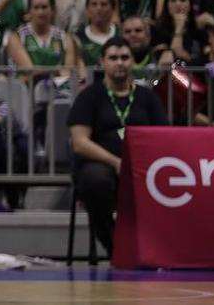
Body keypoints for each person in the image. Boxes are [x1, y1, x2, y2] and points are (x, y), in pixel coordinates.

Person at [67, 37, 168, 255]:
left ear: (133, 61)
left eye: (125, 57)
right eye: (113, 58)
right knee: (96, 181)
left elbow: (164, 136)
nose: (119, 62)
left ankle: (161, 249)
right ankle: (115, 247)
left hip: (144, 169)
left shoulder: (147, 97)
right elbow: (80, 142)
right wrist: (116, 162)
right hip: (101, 165)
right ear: (102, 62)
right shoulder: (89, 96)